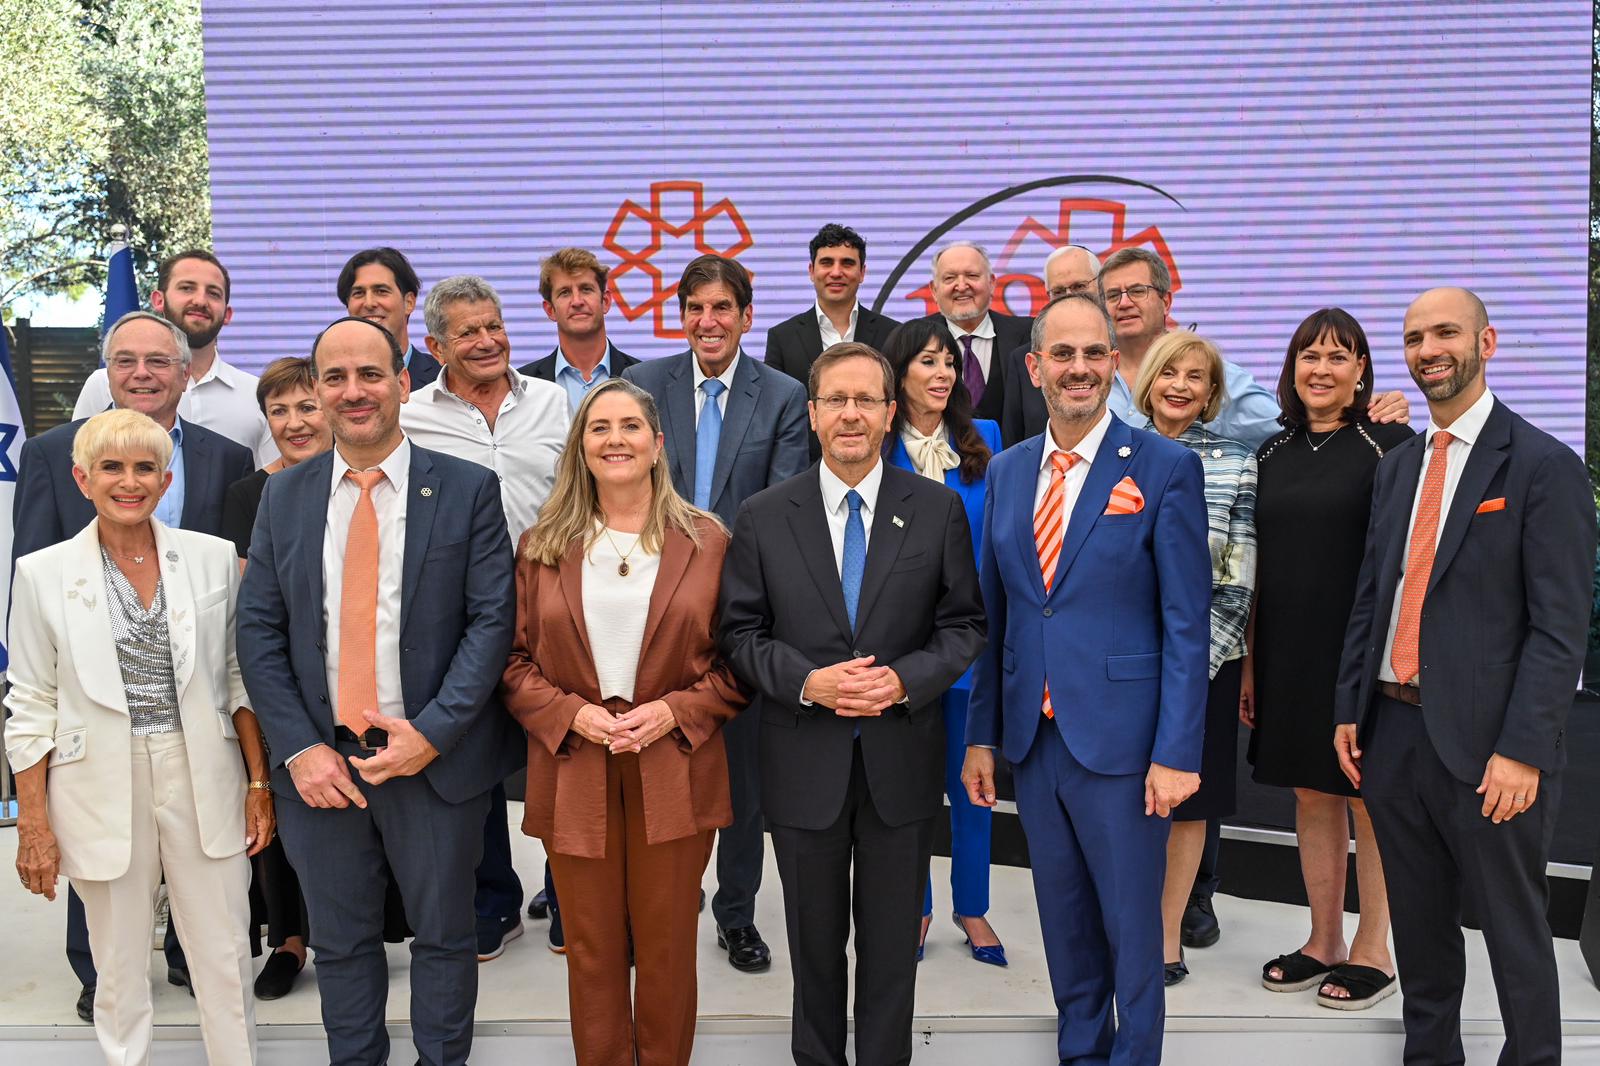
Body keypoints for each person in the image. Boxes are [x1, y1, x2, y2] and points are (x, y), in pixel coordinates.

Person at [237, 316, 521, 1066]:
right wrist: (298, 749)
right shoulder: (286, 498)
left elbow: (492, 624)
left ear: (403, 382)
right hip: (321, 771)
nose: (352, 392)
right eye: (335, 378)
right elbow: (259, 632)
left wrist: (432, 732)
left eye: (369, 375)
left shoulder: (467, 489)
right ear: (319, 393)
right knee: (342, 943)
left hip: (433, 760)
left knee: (444, 937)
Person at [1335, 288, 1595, 1063]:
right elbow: (1372, 597)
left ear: (1486, 341)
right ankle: (1431, 1054)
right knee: (1418, 925)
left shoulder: (1545, 465)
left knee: (1514, 930)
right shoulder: (1399, 466)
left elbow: (1559, 629)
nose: (1427, 349)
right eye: (1414, 337)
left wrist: (1523, 750)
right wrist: (1351, 707)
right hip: (1393, 735)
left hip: (1491, 751)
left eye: (1444, 332)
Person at [719, 341, 986, 1066]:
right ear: (811, 414)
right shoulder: (764, 515)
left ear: (891, 413)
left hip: (901, 763)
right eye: (835, 399)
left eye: (866, 400)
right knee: (813, 948)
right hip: (803, 763)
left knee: (893, 948)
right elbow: (739, 634)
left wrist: (902, 680)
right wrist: (811, 681)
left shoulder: (935, 511)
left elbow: (964, 625)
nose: (850, 414)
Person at [962, 293, 1210, 1066]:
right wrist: (982, 739)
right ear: (1034, 367)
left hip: (1127, 748)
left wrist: (1177, 752)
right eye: (1062, 354)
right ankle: (1080, 1053)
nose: (1079, 368)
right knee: (1063, 922)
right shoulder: (1005, 471)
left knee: (1133, 931)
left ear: (1113, 364)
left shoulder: (1166, 467)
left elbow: (1185, 624)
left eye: (1093, 354)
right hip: (1036, 745)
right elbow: (995, 617)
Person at [7, 408, 272, 1066]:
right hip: (96, 779)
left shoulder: (211, 560)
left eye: (144, 467)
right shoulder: (42, 574)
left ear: (166, 477)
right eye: (112, 468)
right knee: (118, 968)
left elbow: (240, 679)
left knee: (224, 954)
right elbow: (31, 703)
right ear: (82, 478)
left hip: (204, 769)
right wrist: (33, 824)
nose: (129, 481)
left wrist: (259, 784)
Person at [501, 377, 746, 1066]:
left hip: (676, 767)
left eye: (630, 426)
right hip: (575, 766)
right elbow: (515, 665)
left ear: (658, 443)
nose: (615, 439)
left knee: (668, 949)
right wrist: (572, 714)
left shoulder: (709, 542)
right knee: (590, 949)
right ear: (580, 448)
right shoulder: (542, 545)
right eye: (598, 428)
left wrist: (673, 710)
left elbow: (740, 666)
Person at [625, 253, 809, 975]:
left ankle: (735, 915)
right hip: (648, 615)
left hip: (742, 614)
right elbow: (624, 491)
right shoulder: (643, 385)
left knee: (738, 781)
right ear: (682, 315)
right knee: (650, 771)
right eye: (696, 308)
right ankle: (655, 908)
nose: (709, 321)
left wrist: (713, 585)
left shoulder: (785, 395)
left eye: (723, 308)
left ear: (745, 315)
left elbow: (781, 509)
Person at [1243, 309, 1411, 1007]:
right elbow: (1250, 563)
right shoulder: (1270, 452)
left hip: (1359, 653)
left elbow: (1404, 563)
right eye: (1309, 355)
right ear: (1291, 370)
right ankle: (1324, 940)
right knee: (1311, 793)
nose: (1322, 368)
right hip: (1284, 649)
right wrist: (1251, 663)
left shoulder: (1392, 445)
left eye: (1339, 357)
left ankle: (1375, 948)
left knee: (1367, 797)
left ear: (1362, 372)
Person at [400, 273, 570, 961]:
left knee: (563, 748)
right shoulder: (412, 416)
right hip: (456, 615)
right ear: (434, 344)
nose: (487, 341)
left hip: (553, 605)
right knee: (471, 760)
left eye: (493, 325)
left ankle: (566, 892)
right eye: (467, 332)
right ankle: (494, 901)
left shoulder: (556, 403)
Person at [1126, 331, 1257, 987]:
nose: (1180, 385)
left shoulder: (1237, 461)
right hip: (1121, 664)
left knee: (1187, 807)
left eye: (1196, 377)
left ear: (1211, 393)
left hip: (1205, 663)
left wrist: (1187, 667)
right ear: (1148, 379)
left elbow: (1239, 577)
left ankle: (1167, 937)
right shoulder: (1110, 455)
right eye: (1169, 371)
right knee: (1124, 802)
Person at [879, 320, 1006, 965]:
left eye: (949, 363)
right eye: (927, 361)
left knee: (973, 782)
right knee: (910, 789)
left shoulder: (985, 440)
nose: (941, 373)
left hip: (973, 646)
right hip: (903, 652)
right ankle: (918, 906)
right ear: (899, 373)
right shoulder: (875, 445)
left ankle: (973, 906)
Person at [219, 356, 331, 1001]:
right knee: (279, 807)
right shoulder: (248, 495)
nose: (295, 422)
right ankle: (289, 940)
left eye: (306, 406)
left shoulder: (365, 480)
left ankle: (353, 933)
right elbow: (245, 601)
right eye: (279, 411)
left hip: (356, 679)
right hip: (276, 677)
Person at [74, 250, 276, 465]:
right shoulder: (103, 383)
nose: (200, 300)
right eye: (187, 288)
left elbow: (269, 483)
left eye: (213, 293)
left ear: (227, 314)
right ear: (158, 300)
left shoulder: (256, 393)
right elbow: (79, 467)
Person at [766, 223, 900, 459]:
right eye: (827, 262)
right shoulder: (782, 337)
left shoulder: (892, 333)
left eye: (847, 263)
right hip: (803, 473)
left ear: (862, 273)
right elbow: (773, 415)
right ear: (811, 270)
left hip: (877, 467)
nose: (836, 272)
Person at [908, 241, 1031, 424]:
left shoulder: (1029, 335)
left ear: (991, 283)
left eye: (972, 275)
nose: (962, 286)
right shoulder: (911, 339)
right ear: (934, 290)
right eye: (950, 278)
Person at [998, 245, 1101, 446]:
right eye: (1059, 291)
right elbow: (1013, 444)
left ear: (1101, 286)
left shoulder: (1126, 346)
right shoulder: (1023, 359)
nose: (1069, 296)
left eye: (1079, 286)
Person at [517, 247, 639, 410]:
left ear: (606, 301)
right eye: (565, 293)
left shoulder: (642, 378)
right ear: (550, 310)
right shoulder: (522, 385)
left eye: (586, 289)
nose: (577, 301)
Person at [338, 246, 442, 388]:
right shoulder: (325, 380)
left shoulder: (445, 377)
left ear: (409, 302)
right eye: (359, 293)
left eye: (381, 291)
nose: (369, 303)